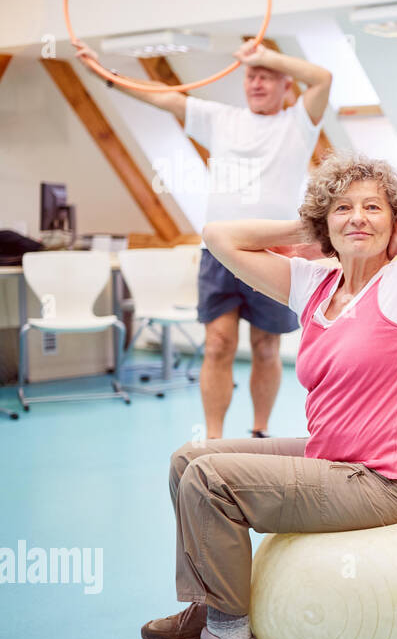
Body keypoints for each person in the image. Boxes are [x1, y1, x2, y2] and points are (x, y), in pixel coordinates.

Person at [133, 153, 397, 639]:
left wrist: (396, 232)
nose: (357, 218)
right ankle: (207, 607)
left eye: (372, 208)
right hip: (332, 455)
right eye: (342, 209)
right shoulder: (315, 281)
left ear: (396, 221)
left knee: (212, 480)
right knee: (189, 458)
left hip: (388, 479)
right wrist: (311, 228)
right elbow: (218, 237)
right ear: (323, 223)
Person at [73, 37, 332, 439]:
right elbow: (162, 98)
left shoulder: (297, 124)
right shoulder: (221, 119)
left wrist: (262, 54)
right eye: (251, 76)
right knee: (217, 344)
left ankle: (259, 433)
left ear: (286, 85)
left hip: (275, 252)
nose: (257, 83)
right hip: (219, 253)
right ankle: (212, 439)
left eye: (267, 76)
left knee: (265, 347)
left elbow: (322, 78)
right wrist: (103, 74)